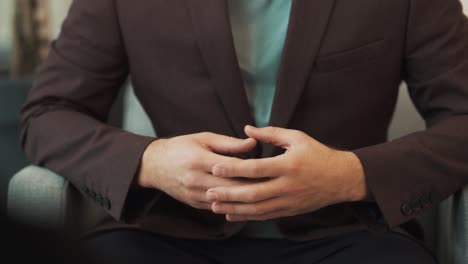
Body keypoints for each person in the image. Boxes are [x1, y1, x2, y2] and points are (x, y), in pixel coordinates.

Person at [19, 0, 468, 263]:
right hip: (167, 232)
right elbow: (49, 113)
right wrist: (151, 162)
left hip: (348, 233)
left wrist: (350, 174)